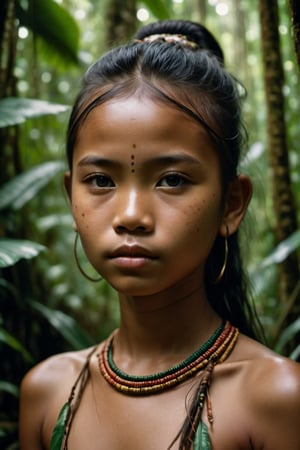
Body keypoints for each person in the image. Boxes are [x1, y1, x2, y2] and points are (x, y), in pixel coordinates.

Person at [19, 19, 300, 450]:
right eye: (100, 181)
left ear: (231, 204)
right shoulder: (47, 393)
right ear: (70, 196)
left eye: (171, 180)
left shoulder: (277, 398)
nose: (131, 216)